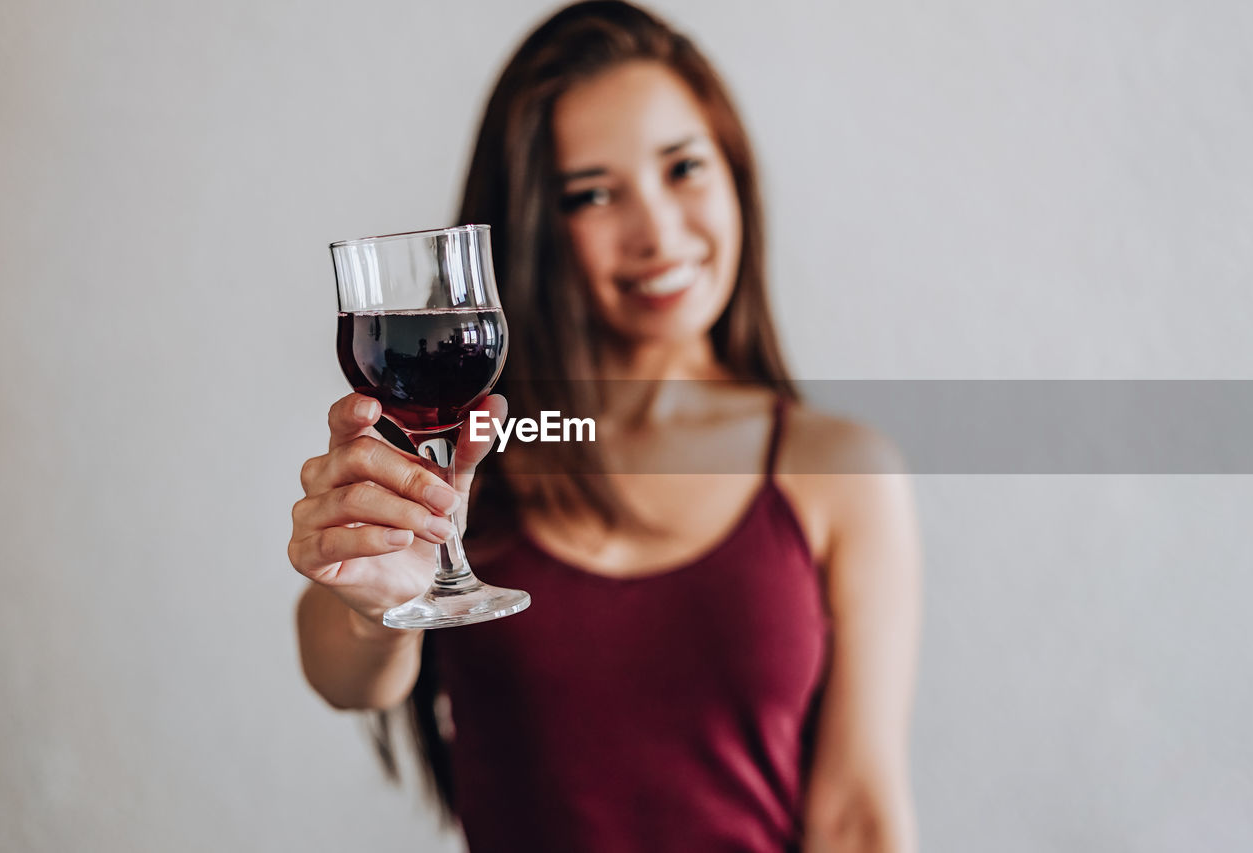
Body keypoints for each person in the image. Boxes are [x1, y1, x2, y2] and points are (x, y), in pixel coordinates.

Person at [290, 2, 922, 850]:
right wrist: (371, 607)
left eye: (684, 168)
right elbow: (347, 679)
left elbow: (858, 817)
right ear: (532, 226)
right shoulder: (484, 446)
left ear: (735, 172)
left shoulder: (839, 468)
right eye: (590, 193)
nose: (657, 232)